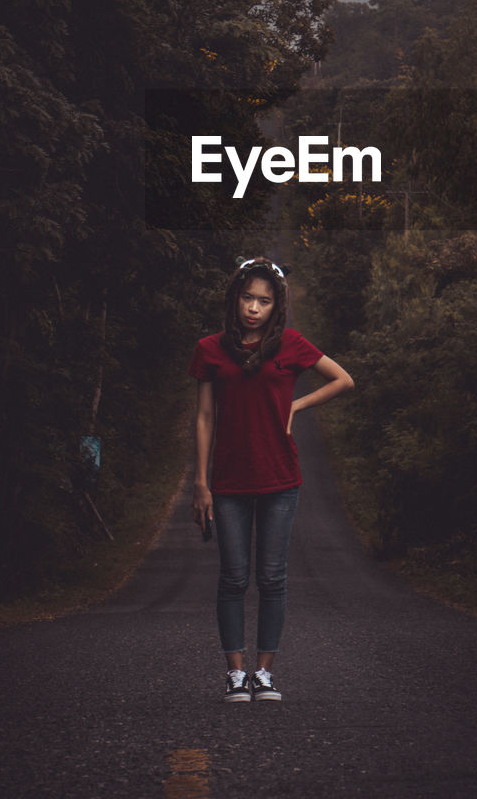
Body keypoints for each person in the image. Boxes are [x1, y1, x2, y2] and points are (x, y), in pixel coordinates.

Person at [189, 256, 354, 703]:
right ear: (235, 298)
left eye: (263, 300)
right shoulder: (211, 349)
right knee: (233, 577)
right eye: (247, 298)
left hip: (281, 478)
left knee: (272, 577)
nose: (254, 308)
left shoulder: (292, 345)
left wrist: (297, 407)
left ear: (275, 305)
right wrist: (200, 483)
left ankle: (264, 673)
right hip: (227, 482)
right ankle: (235, 674)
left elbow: (343, 379)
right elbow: (205, 418)